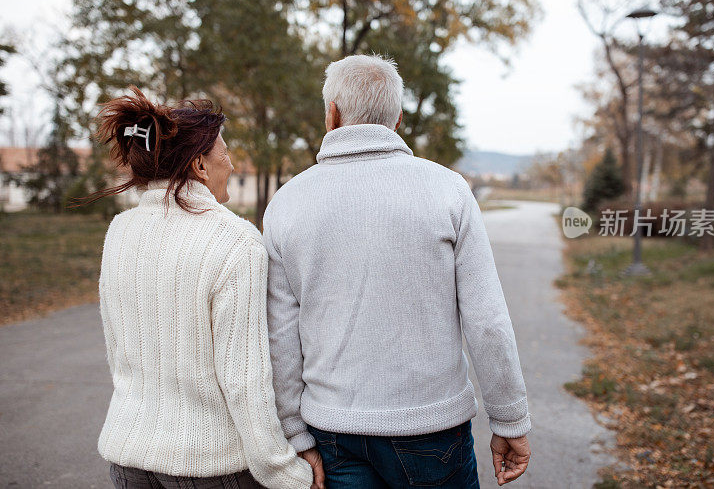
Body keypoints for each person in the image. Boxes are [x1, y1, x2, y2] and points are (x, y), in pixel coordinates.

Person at [263, 55, 532, 488]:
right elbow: (487, 321)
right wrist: (509, 418)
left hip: (333, 434)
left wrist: (295, 434)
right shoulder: (448, 191)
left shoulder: (287, 203)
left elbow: (279, 337)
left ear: (331, 114)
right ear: (398, 119)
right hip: (431, 429)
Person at [89, 87, 322, 489]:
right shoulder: (234, 241)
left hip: (129, 461)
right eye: (225, 154)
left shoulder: (121, 230)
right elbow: (244, 380)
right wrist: (286, 473)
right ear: (199, 165)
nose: (231, 165)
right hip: (210, 469)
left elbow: (119, 352)